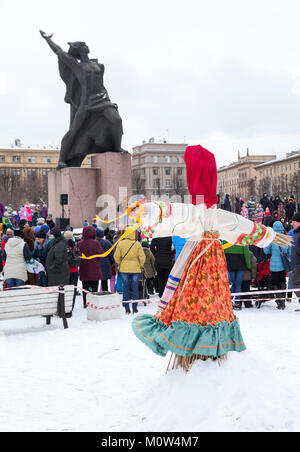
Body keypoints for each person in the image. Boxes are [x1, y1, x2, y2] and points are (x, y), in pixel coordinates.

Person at [131, 145, 290, 370]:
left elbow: (171, 212)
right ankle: (213, 350)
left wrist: (147, 211)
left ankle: (190, 353)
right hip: (213, 261)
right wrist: (269, 235)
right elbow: (242, 226)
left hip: (196, 258)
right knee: (214, 298)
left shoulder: (194, 213)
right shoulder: (217, 215)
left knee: (192, 298)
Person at [114, 226, 145, 314]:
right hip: (135, 268)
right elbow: (142, 257)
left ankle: (127, 308)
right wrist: (140, 265)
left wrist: (120, 263)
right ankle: (135, 307)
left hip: (124, 268)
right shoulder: (137, 244)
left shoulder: (120, 243)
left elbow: (116, 256)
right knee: (135, 287)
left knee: (126, 287)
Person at [263, 221, 289, 309]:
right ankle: (283, 301)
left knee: (275, 283)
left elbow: (266, 251)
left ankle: (279, 301)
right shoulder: (285, 238)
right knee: (283, 282)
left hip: (274, 266)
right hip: (284, 265)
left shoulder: (272, 239)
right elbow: (289, 252)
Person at [77, 226, 103, 308]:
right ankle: (94, 303)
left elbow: (77, 255)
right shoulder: (96, 243)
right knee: (95, 287)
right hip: (94, 269)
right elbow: (101, 254)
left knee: (85, 287)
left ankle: (85, 303)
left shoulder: (80, 243)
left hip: (84, 268)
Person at [224, 243, 251, 309]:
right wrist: (248, 265)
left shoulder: (226, 240)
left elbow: (222, 252)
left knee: (233, 284)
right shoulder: (242, 241)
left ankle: (229, 302)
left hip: (230, 265)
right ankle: (237, 303)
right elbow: (247, 254)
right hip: (241, 265)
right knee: (238, 284)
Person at [64, 230, 80, 310]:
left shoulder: (63, 245)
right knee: (73, 290)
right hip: (75, 270)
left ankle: (65, 306)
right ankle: (71, 306)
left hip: (66, 271)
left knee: (65, 290)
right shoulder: (75, 246)